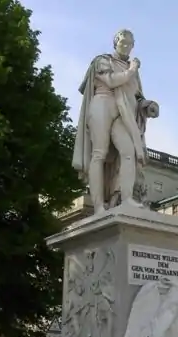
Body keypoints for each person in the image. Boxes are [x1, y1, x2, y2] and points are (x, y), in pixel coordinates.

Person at [72, 29, 159, 214]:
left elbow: (135, 97)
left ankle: (126, 198)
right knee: (99, 153)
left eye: (129, 44)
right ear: (115, 43)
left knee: (129, 152)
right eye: (122, 43)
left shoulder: (131, 71)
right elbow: (111, 81)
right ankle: (98, 206)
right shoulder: (102, 60)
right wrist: (132, 69)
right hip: (102, 103)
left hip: (125, 111)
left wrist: (146, 105)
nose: (126, 46)